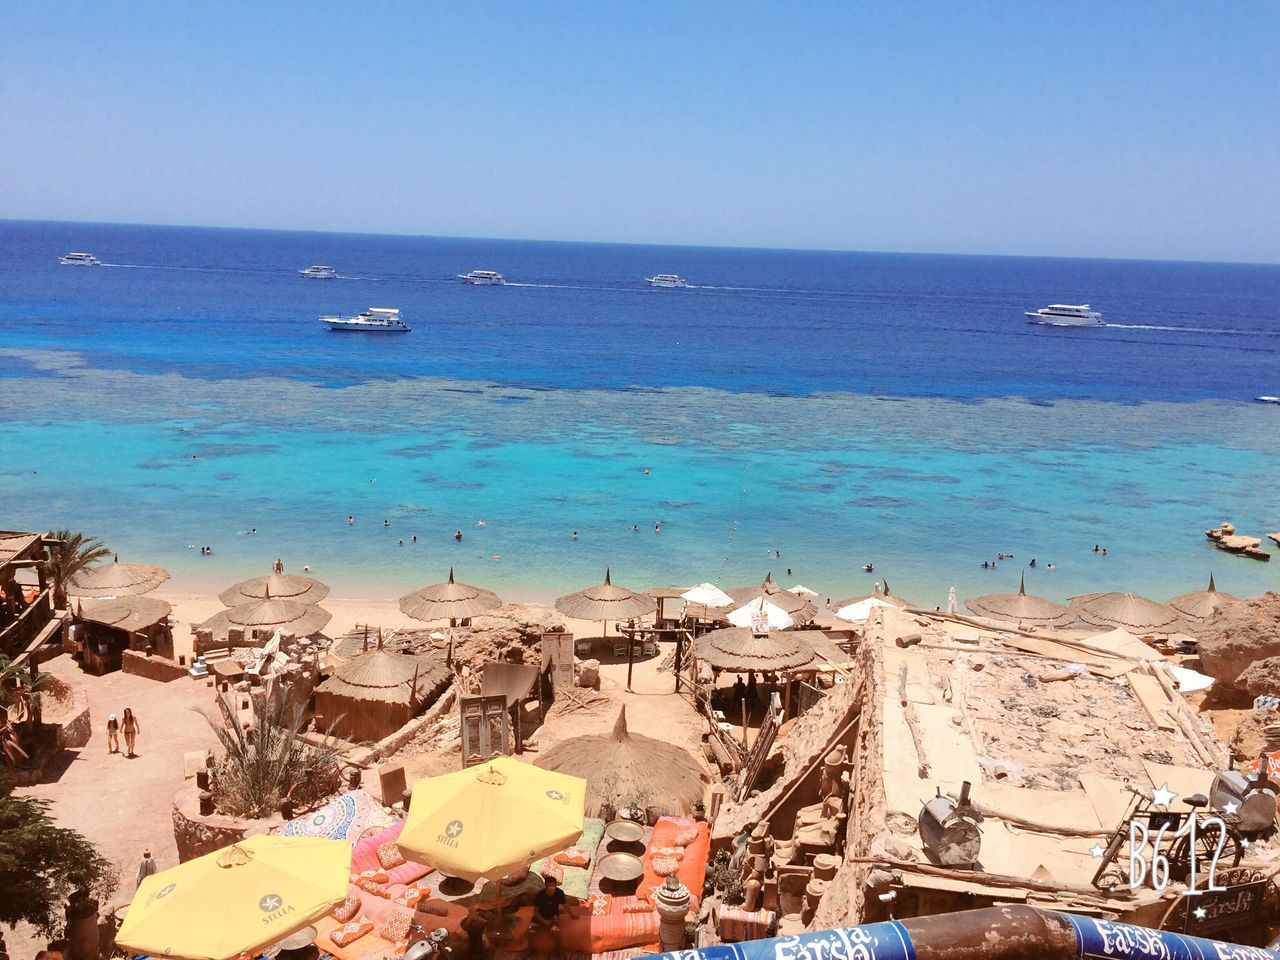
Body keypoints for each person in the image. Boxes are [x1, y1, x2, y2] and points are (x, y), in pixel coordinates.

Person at [532, 875, 572, 942]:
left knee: (556, 931)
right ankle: (530, 949)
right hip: (540, 916)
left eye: (553, 886)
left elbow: (565, 904)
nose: (551, 888)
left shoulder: (559, 893)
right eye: (549, 886)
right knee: (530, 931)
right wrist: (544, 921)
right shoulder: (539, 895)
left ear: (556, 886)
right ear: (545, 886)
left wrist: (572, 914)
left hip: (553, 916)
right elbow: (535, 911)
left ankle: (559, 950)